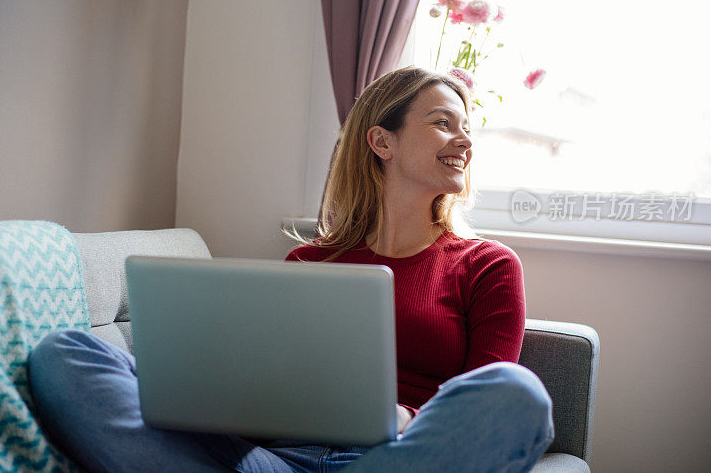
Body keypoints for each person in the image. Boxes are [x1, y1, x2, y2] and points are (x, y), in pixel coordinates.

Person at [28, 66, 555, 472]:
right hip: (274, 460)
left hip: (395, 460)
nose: (465, 140)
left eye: (467, 128)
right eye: (443, 123)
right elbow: (264, 386)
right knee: (64, 355)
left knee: (517, 392)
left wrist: (405, 417)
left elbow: (477, 397)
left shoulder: (487, 266)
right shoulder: (308, 263)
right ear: (382, 142)